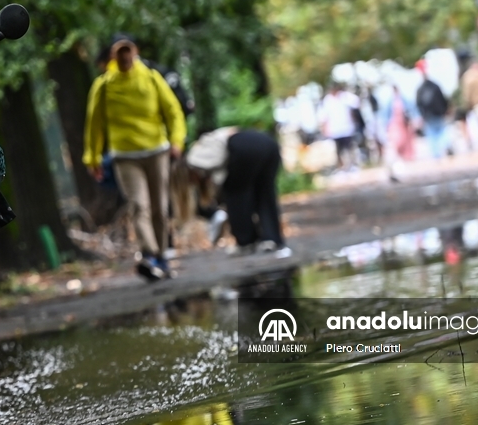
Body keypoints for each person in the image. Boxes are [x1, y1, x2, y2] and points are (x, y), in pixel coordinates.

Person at [83, 36, 187, 281]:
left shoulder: (151, 77)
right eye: (120, 53)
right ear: (113, 57)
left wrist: (177, 141)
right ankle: (149, 254)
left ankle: (161, 255)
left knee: (159, 208)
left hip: (157, 151)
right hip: (125, 156)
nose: (125, 57)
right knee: (139, 206)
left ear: (135, 53)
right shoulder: (104, 85)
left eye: (128, 51)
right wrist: (92, 157)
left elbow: (173, 110)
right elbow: (94, 124)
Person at [182, 127, 291, 257]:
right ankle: (272, 239)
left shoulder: (194, 158)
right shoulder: (218, 137)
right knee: (265, 193)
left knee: (236, 194)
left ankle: (245, 241)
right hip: (269, 144)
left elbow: (215, 170)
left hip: (243, 148)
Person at [415, 59, 451, 159]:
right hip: (438, 113)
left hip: (428, 116)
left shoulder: (420, 89)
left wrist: (422, 116)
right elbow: (443, 99)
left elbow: (418, 104)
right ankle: (445, 146)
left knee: (432, 136)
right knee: (442, 132)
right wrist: (445, 110)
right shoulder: (435, 86)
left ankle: (436, 155)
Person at [317, 83, 358, 171]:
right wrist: (325, 129)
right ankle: (342, 168)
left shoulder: (345, 96)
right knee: (338, 151)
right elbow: (323, 116)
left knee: (349, 148)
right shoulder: (327, 100)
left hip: (347, 128)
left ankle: (352, 165)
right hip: (335, 130)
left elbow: (356, 102)